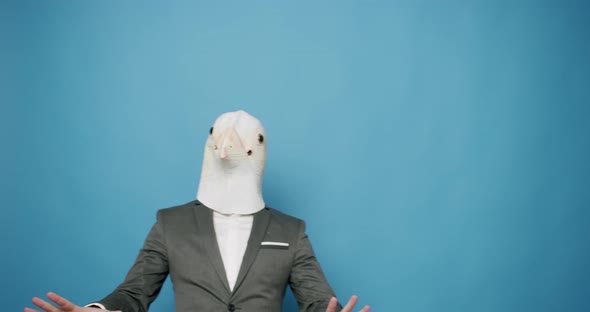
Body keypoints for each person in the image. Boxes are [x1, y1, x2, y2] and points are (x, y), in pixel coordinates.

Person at [26, 111, 370, 312]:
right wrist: (98, 311)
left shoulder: (290, 230)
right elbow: (133, 293)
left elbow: (318, 302)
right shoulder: (169, 223)